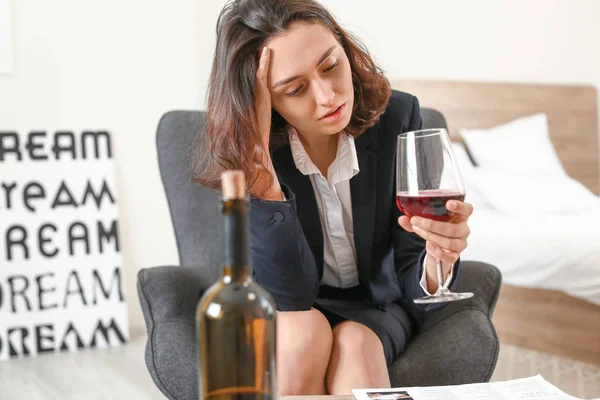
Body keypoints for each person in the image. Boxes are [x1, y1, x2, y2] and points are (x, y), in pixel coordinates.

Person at [192, 0, 473, 396]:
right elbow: (288, 296)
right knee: (303, 332)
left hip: (378, 305)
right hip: (297, 309)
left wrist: (438, 259)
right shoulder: (255, 151)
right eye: (294, 89)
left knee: (356, 343)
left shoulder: (397, 117)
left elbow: (411, 268)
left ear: (345, 49)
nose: (327, 96)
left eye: (330, 66)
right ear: (265, 100)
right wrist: (266, 183)